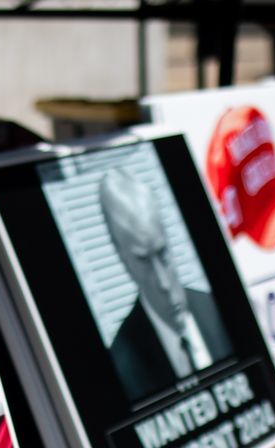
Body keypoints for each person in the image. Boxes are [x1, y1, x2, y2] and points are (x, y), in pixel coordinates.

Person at [98, 167, 233, 406]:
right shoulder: (121, 365)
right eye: (143, 260)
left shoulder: (219, 309)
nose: (162, 282)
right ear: (122, 258)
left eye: (163, 254)